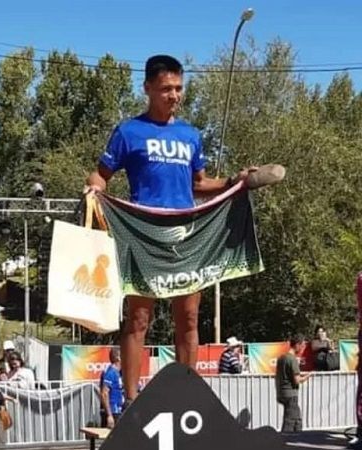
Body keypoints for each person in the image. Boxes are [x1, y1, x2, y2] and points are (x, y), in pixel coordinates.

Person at [84, 55, 253, 404]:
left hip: (186, 236)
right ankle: (131, 401)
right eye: (165, 89)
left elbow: (200, 183)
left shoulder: (190, 134)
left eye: (178, 88)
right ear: (147, 88)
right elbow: (100, 174)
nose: (173, 95)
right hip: (142, 234)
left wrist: (234, 182)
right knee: (138, 319)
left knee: (189, 319)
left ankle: (186, 397)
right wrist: (95, 189)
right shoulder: (128, 131)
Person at [275, 336, 312, 433]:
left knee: (296, 418)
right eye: (302, 346)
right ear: (297, 345)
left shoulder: (281, 358)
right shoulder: (292, 360)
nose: (302, 349)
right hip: (291, 393)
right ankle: (288, 439)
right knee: (290, 421)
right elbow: (297, 380)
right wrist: (307, 376)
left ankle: (296, 435)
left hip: (281, 392)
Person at [100, 348, 124, 429]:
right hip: (113, 412)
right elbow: (104, 394)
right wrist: (109, 415)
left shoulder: (120, 373)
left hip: (120, 411)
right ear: (118, 358)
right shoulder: (110, 373)